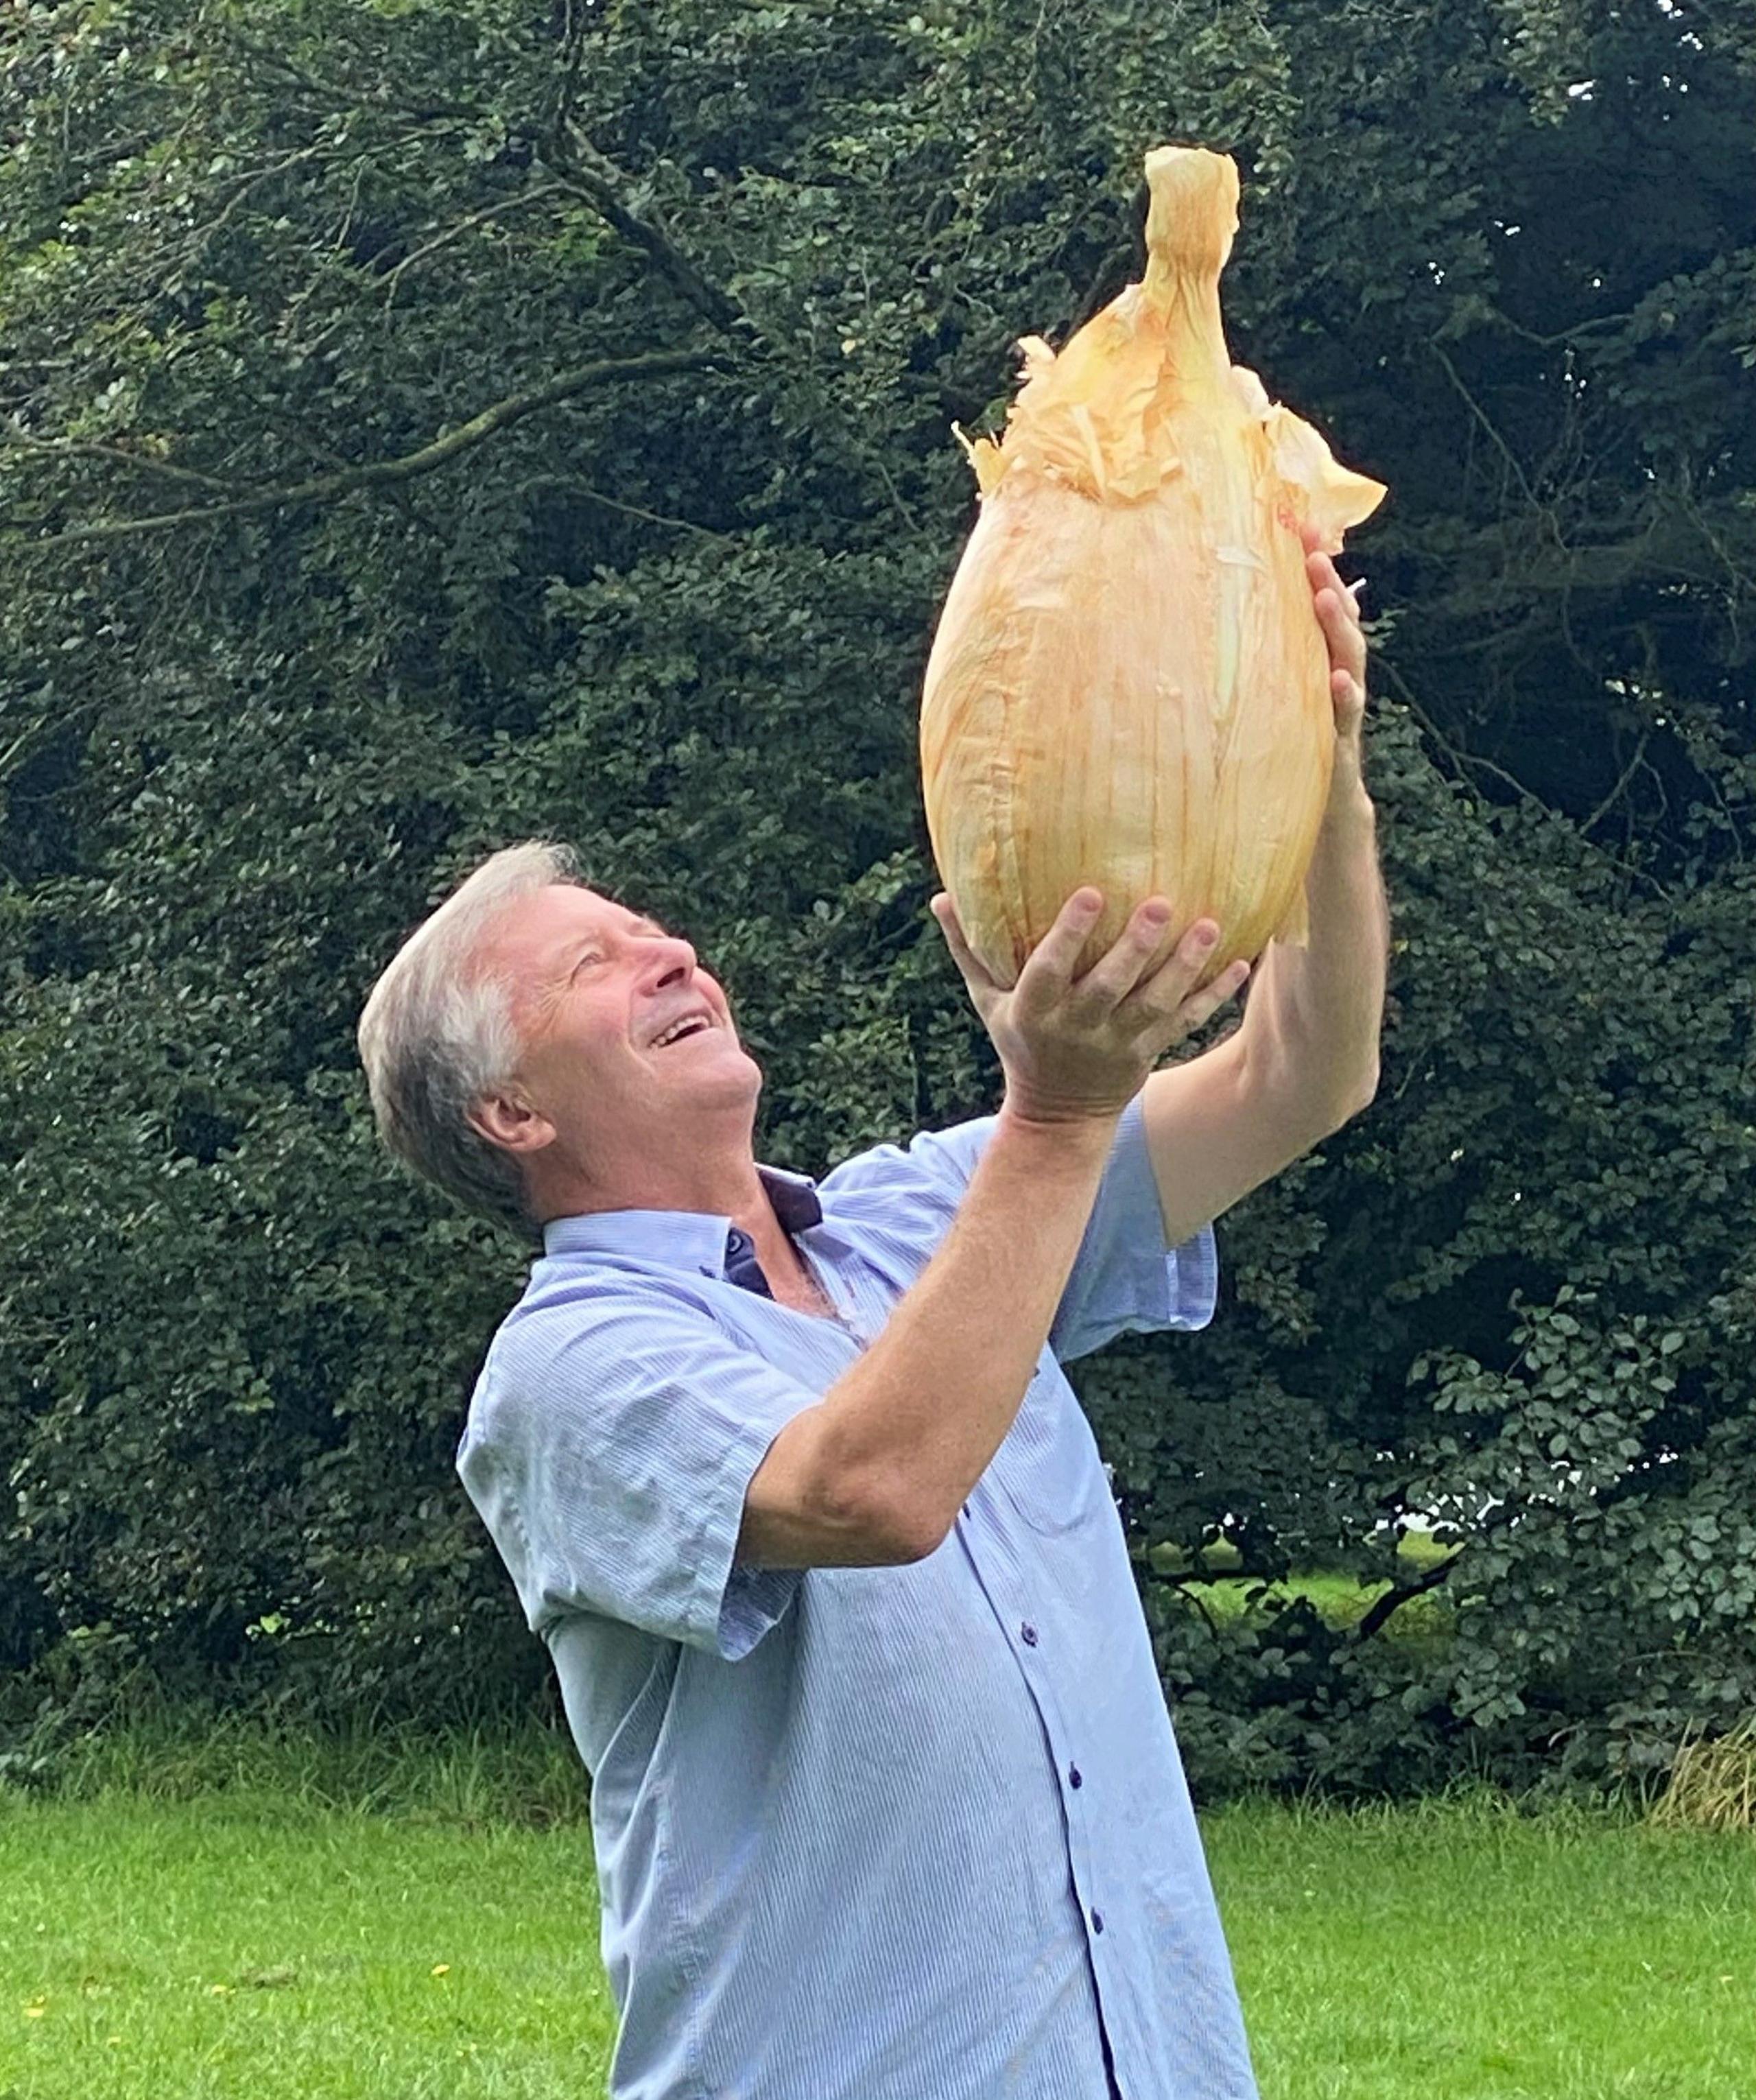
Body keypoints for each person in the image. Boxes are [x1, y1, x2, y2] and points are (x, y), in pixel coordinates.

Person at [355, 537, 1387, 2100]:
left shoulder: (926, 1217)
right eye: (594, 960)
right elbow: (872, 1487)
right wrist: (1054, 1112)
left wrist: (1316, 777)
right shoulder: (562, 1374)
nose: (671, 952)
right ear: (507, 1108)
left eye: (657, 932)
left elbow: (1303, 1074)